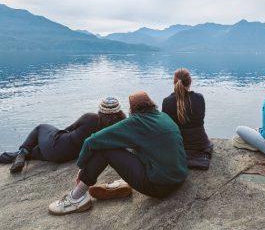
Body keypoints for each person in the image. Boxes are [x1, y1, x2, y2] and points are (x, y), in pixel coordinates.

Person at [48, 91, 188, 215]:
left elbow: (91, 142)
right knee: (131, 144)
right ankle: (124, 181)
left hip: (159, 187)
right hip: (179, 179)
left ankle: (76, 198)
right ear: (152, 104)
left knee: (106, 149)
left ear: (132, 109)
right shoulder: (164, 117)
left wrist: (81, 167)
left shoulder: (136, 122)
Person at [5, 97, 126, 173]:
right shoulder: (118, 128)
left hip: (57, 145)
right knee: (33, 152)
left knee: (41, 127)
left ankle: (22, 153)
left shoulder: (91, 118)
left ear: (100, 110)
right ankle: (21, 155)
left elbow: (68, 129)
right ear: (119, 111)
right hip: (64, 157)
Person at [162, 68, 213, 170]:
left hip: (179, 145)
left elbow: (166, 126)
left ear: (174, 82)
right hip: (201, 144)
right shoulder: (199, 98)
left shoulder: (167, 102)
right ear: (190, 81)